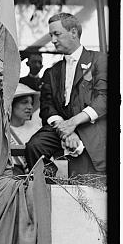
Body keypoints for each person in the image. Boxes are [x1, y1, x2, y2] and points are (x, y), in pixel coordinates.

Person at [25, 13, 107, 174]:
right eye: (51, 35)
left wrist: (74, 123)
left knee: (86, 180)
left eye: (57, 34)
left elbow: (104, 97)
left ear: (74, 33)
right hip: (61, 126)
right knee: (35, 146)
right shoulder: (51, 72)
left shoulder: (99, 60)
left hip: (90, 125)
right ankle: (49, 183)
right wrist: (64, 128)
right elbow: (47, 106)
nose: (53, 40)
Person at [9, 84, 41, 175]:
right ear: (11, 104)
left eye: (31, 103)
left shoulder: (37, 130)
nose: (30, 107)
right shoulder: (0, 130)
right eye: (24, 102)